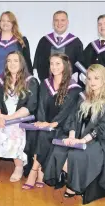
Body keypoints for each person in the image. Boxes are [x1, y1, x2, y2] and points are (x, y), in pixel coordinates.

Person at [43, 64, 105, 204]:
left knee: (76, 155)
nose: (92, 82)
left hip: (103, 143)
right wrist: (71, 136)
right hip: (81, 137)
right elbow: (73, 118)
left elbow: (102, 128)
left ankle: (74, 185)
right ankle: (71, 180)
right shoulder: (84, 97)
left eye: (96, 78)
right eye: (89, 78)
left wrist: (83, 141)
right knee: (59, 150)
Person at [23, 53, 81, 190]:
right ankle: (40, 171)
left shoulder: (74, 88)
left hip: (62, 126)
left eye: (58, 63)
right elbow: (41, 106)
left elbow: (67, 112)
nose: (54, 67)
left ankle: (34, 171)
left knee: (44, 134)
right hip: (45, 123)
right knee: (36, 132)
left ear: (65, 66)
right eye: (52, 63)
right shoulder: (45, 84)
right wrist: (42, 122)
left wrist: (52, 124)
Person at [0, 51, 39, 182]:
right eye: (9, 61)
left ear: (21, 63)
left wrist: (9, 118)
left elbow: (30, 106)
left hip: (21, 120)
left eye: (15, 60)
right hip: (2, 118)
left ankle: (19, 167)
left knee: (15, 134)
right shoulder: (0, 80)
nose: (12, 63)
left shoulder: (31, 81)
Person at [33, 10, 83, 83]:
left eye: (62, 20)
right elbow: (37, 63)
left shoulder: (76, 42)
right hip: (47, 84)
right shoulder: (44, 41)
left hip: (68, 84)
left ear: (67, 22)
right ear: (53, 23)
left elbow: (79, 65)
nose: (59, 23)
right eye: (56, 20)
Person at [0, 11, 32, 77]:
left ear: (13, 23)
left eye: (8, 21)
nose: (5, 23)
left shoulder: (22, 41)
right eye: (3, 20)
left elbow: (27, 63)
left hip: (17, 81)